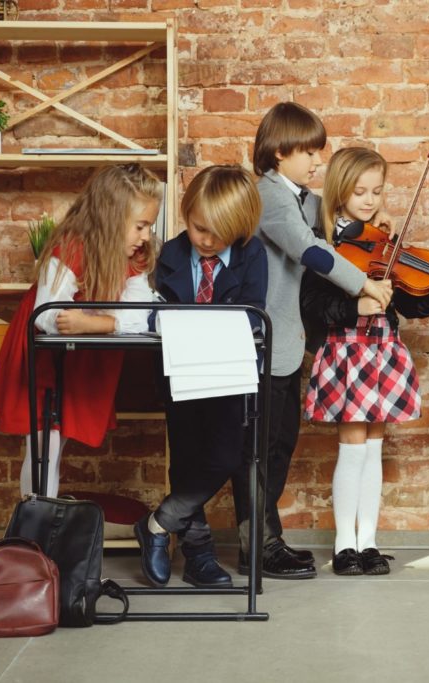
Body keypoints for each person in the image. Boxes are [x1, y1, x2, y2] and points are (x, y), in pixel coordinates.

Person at [231, 102, 394, 580]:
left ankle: (265, 539)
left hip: (287, 342)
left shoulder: (298, 196)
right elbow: (310, 248)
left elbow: (328, 231)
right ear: (279, 152)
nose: (317, 161)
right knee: (260, 448)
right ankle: (257, 544)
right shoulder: (270, 196)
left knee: (279, 444)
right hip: (264, 339)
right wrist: (363, 283)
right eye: (309, 152)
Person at [301, 147, 429, 575]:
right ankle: (344, 546)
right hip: (347, 350)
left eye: (377, 191)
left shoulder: (382, 245)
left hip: (384, 348)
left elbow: (410, 306)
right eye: (360, 192)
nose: (370, 200)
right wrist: (356, 308)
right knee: (353, 448)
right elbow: (312, 304)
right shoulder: (325, 245)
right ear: (339, 190)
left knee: (374, 448)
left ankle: (369, 542)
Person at [0, 164, 163, 497]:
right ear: (111, 218)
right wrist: (92, 323)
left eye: (149, 227)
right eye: (140, 226)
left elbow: (141, 316)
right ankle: (34, 532)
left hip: (79, 354)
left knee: (56, 442)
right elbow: (50, 316)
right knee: (43, 445)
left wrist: (94, 323)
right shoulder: (71, 247)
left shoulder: (136, 258)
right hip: (43, 356)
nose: (145, 237)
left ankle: (39, 528)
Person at [133, 165, 266, 588]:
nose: (206, 241)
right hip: (179, 374)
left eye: (218, 234)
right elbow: (150, 312)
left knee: (225, 458)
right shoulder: (167, 253)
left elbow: (252, 316)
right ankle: (199, 555)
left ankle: (157, 524)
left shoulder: (252, 255)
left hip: (228, 375)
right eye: (198, 229)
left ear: (241, 228)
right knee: (188, 462)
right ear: (186, 214)